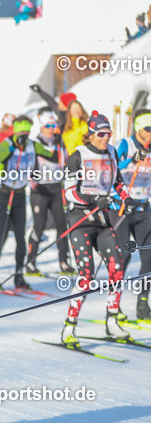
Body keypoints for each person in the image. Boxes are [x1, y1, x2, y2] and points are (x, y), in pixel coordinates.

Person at [61, 111, 129, 344]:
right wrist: (92, 200)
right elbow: (69, 191)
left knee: (117, 268)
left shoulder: (110, 152)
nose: (105, 138)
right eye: (101, 134)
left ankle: (112, 322)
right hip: (80, 220)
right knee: (86, 275)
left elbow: (118, 182)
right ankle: (69, 327)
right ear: (90, 135)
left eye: (108, 133)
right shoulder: (77, 156)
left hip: (101, 220)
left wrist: (126, 198)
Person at [0, 116, 41, 291]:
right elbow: (1, 158)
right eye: (22, 133)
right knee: (1, 236)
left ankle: (19, 276)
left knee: (20, 238)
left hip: (19, 195)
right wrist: (13, 148)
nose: (24, 137)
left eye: (27, 133)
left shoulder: (31, 146)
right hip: (3, 194)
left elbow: (46, 157)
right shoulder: (6, 144)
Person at [25, 109, 73, 276]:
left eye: (53, 126)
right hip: (40, 190)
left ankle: (64, 262)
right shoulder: (34, 144)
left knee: (62, 225)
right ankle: (30, 263)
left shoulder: (59, 143)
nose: (51, 129)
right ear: (42, 126)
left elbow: (66, 162)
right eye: (48, 126)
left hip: (56, 189)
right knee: (39, 226)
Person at [113, 109, 151, 318]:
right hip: (122, 208)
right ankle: (113, 305)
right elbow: (112, 169)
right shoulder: (124, 145)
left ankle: (142, 303)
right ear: (138, 128)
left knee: (149, 258)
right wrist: (132, 160)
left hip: (144, 208)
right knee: (122, 257)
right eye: (148, 129)